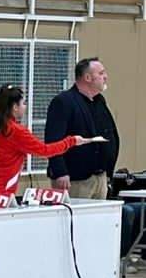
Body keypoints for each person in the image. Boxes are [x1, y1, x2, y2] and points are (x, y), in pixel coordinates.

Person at [0, 84, 92, 206]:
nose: (25, 107)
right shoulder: (15, 131)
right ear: (15, 107)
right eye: (23, 103)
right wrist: (72, 141)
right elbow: (44, 150)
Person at [44, 56, 119, 198]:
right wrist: (60, 171)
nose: (105, 77)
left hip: (100, 177)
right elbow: (53, 139)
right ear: (87, 77)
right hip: (75, 178)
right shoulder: (64, 102)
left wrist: (109, 170)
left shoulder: (99, 101)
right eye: (101, 73)